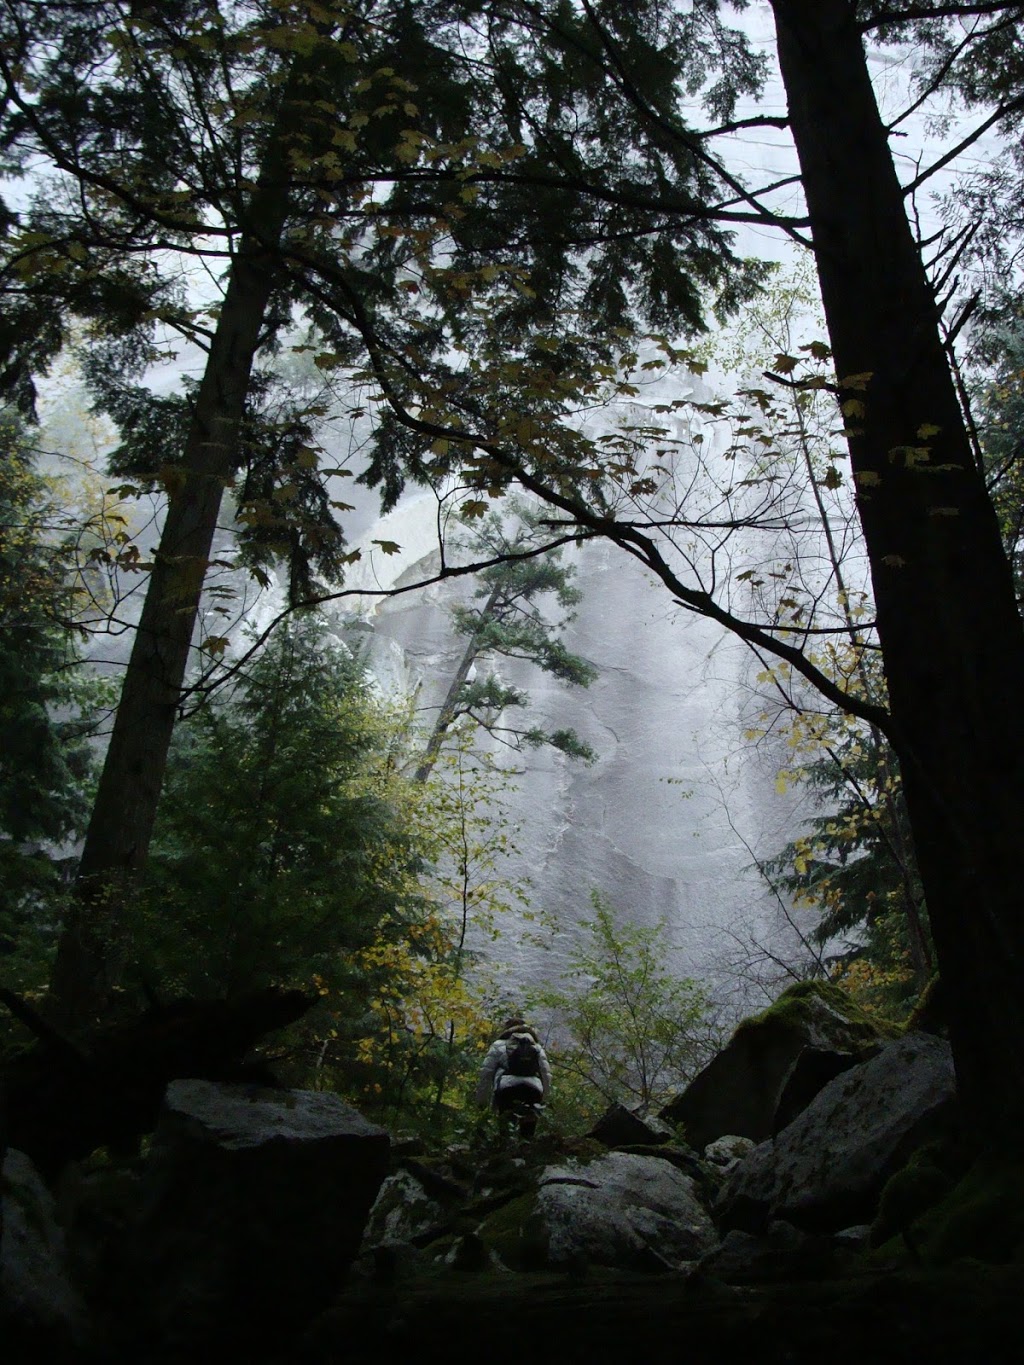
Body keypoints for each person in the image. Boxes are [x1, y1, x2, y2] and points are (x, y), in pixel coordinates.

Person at [474, 1017, 552, 1138]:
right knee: (527, 1134)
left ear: (506, 1029)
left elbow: (486, 1074)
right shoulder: (537, 1047)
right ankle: (526, 1153)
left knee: (505, 1132)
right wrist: (544, 1098)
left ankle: (505, 1152)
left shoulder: (498, 1045)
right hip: (533, 1091)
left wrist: (481, 1101)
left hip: (506, 1091)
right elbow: (546, 1075)